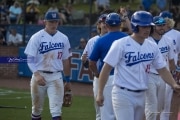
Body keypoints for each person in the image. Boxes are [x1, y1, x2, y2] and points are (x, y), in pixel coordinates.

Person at [96, 10, 180, 120]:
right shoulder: (121, 44)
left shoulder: (152, 46)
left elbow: (163, 69)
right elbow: (106, 69)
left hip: (141, 95)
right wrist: (100, 92)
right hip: (123, 94)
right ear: (135, 26)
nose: (147, 29)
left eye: (149, 26)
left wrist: (173, 84)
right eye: (143, 26)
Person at [24, 11, 72, 120]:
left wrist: (68, 80)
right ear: (45, 22)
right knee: (36, 110)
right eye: (51, 22)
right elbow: (30, 59)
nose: (53, 24)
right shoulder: (36, 37)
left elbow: (65, 60)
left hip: (56, 77)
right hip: (39, 75)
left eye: (56, 21)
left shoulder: (63, 38)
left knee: (56, 111)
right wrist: (36, 75)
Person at [89, 12, 128, 120]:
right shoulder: (128, 39)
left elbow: (91, 62)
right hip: (124, 79)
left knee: (107, 114)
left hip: (107, 79)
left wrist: (97, 74)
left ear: (106, 25)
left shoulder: (101, 40)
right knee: (123, 114)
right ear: (120, 24)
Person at [145, 16, 176, 120]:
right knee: (152, 105)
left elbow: (171, 61)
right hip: (149, 76)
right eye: (159, 25)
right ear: (153, 27)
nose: (162, 27)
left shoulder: (169, 41)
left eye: (163, 25)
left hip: (163, 76)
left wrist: (172, 76)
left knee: (159, 106)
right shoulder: (146, 41)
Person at [81, 13, 108, 120]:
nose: (105, 24)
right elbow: (87, 63)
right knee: (99, 109)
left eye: (107, 22)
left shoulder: (116, 39)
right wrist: (84, 61)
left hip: (114, 77)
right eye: (102, 22)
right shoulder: (92, 41)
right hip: (98, 77)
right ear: (99, 24)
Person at [159, 11, 180, 120]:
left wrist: (177, 71)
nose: (162, 24)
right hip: (155, 73)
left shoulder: (177, 34)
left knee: (167, 102)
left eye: (164, 22)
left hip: (170, 72)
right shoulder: (155, 35)